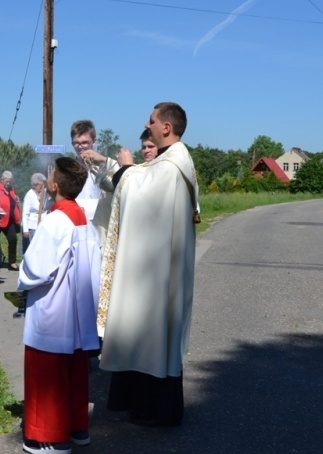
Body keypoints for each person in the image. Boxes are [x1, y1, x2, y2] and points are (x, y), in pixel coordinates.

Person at [98, 102, 199, 427]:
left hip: (157, 275)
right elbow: (144, 182)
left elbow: (140, 194)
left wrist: (126, 167)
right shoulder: (171, 163)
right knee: (149, 335)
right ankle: (143, 406)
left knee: (151, 333)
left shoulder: (171, 167)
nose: (147, 123)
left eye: (152, 120)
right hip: (159, 269)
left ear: (166, 127)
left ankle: (156, 409)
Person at [17, 156, 101, 454]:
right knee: (75, 372)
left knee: (46, 373)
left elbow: (37, 268)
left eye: (50, 173)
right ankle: (76, 427)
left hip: (53, 310)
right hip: (78, 311)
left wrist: (21, 281)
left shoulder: (55, 221)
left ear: (54, 185)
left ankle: (47, 436)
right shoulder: (84, 221)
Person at [70, 119, 120, 243]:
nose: (80, 146)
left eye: (85, 142)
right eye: (76, 143)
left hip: (99, 222)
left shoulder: (105, 164)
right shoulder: (69, 167)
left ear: (94, 142)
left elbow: (123, 177)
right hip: (76, 221)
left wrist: (103, 160)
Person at [0, 170, 21, 271]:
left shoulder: (12, 189)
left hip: (10, 220)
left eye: (10, 181)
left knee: (13, 239)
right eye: (7, 181)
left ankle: (12, 262)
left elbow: (14, 201)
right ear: (2, 180)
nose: (8, 183)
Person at [21, 172, 51, 253]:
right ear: (35, 185)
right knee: (31, 247)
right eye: (41, 185)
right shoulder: (29, 195)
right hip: (32, 225)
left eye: (44, 185)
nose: (42, 187)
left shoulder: (44, 193)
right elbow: (25, 213)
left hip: (42, 223)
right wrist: (25, 230)